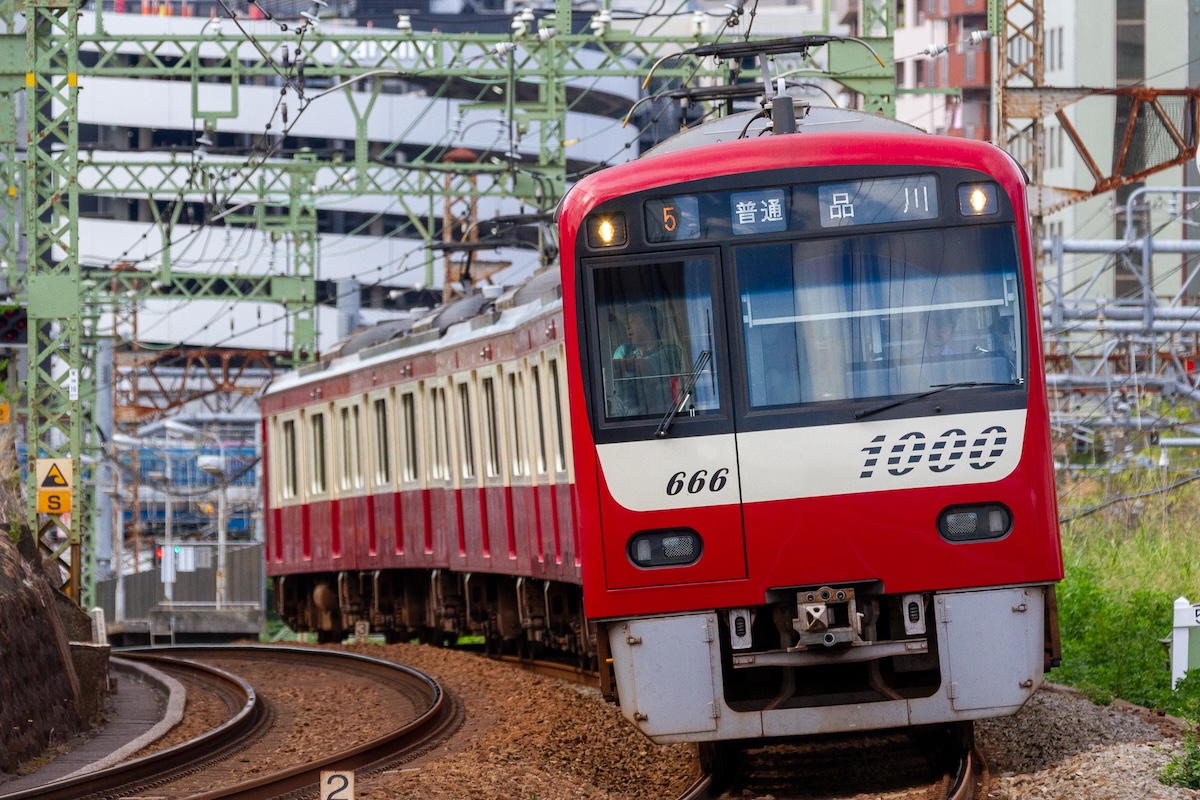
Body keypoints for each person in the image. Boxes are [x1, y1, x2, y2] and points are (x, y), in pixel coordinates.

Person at [611, 303, 682, 416]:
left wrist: (625, 365)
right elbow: (613, 368)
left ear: (650, 325)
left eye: (633, 321)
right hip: (626, 423)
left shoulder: (671, 352)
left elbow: (643, 365)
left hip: (664, 420)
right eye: (627, 323)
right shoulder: (623, 351)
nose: (628, 327)